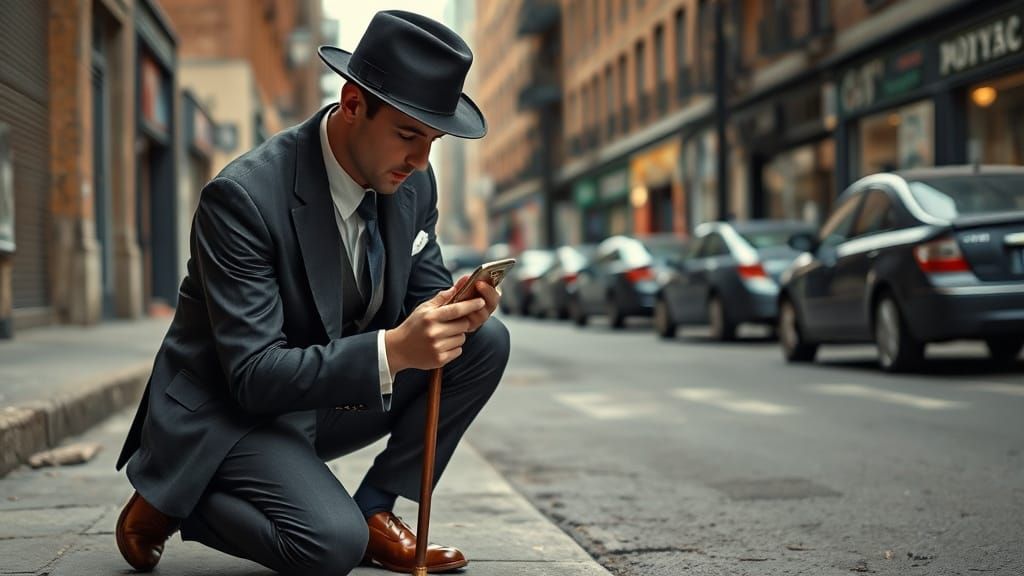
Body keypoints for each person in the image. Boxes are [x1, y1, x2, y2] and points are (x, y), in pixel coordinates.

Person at [113, 10, 509, 575]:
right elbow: (251, 375)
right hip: (230, 410)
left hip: (319, 397)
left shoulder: (412, 183)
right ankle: (174, 493)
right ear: (352, 104)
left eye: (433, 141)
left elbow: (422, 302)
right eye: (407, 135)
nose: (420, 161)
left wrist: (461, 309)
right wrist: (395, 350)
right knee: (328, 546)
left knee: (486, 341)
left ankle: (375, 510)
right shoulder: (243, 199)